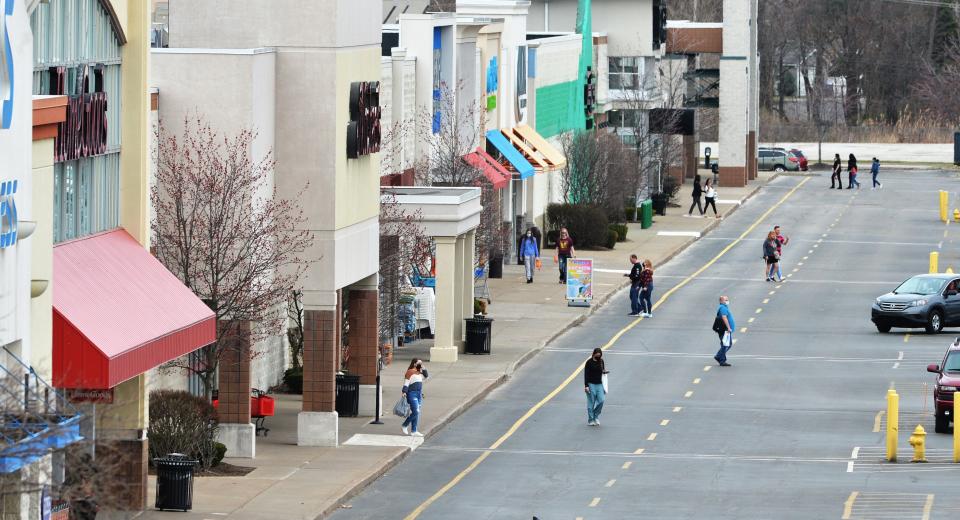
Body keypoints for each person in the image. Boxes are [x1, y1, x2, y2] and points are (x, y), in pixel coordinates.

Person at [401, 358, 428, 437]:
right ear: (414, 363)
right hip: (411, 394)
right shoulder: (410, 372)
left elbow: (426, 377)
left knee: (417, 412)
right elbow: (406, 383)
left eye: (421, 363)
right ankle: (405, 425)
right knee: (416, 411)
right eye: (419, 363)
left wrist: (424, 369)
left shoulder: (419, 372)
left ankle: (414, 431)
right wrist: (404, 392)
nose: (420, 364)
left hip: (419, 394)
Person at [583, 347, 609, 426]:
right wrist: (586, 385)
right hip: (591, 384)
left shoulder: (601, 361)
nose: (598, 357)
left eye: (600, 355)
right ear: (593, 354)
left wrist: (605, 371)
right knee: (591, 402)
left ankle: (596, 416)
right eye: (597, 355)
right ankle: (591, 419)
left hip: (600, 384)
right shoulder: (589, 362)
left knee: (601, 400)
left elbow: (602, 370)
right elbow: (586, 374)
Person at [713, 295, 735, 366]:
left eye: (727, 300)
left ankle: (721, 359)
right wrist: (728, 327)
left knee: (726, 344)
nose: (727, 301)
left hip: (724, 330)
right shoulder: (722, 308)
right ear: (721, 301)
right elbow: (724, 317)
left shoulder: (724, 307)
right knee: (726, 344)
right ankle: (719, 357)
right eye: (725, 300)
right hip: (724, 330)